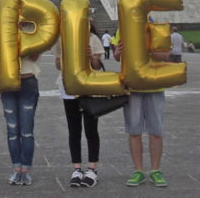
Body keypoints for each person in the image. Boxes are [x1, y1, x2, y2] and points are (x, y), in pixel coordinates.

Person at [54, 23, 104, 187]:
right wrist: (65, 57)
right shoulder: (63, 40)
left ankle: (92, 168)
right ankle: (76, 168)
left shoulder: (93, 38)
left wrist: (91, 57)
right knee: (74, 130)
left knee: (91, 129)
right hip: (69, 89)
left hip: (89, 88)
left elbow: (98, 66)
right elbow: (58, 65)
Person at [115, 38, 170, 187]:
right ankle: (138, 170)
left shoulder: (155, 28)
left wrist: (148, 49)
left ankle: (155, 170)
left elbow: (166, 56)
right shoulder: (124, 27)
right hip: (133, 87)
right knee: (134, 130)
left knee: (156, 131)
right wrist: (117, 53)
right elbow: (118, 57)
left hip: (155, 86)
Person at [0, 22, 41, 186]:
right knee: (12, 130)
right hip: (8, 83)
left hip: (28, 80)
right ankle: (16, 169)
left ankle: (26, 169)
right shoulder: (2, 29)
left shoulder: (33, 31)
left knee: (26, 130)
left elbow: (34, 55)